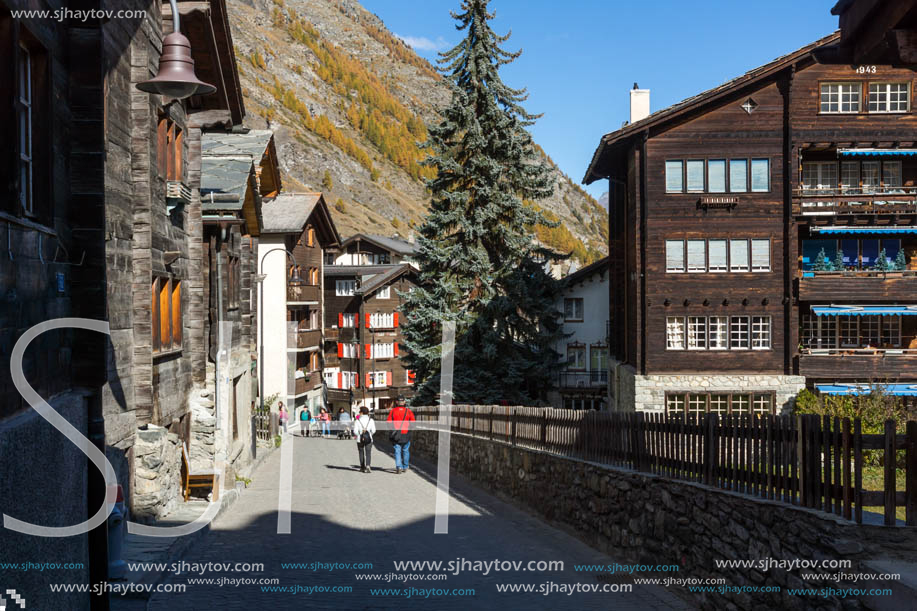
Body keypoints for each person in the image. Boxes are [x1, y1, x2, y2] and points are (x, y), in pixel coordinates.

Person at [386, 396, 416, 474]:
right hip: (406, 433)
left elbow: (388, 423)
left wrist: (392, 429)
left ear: (397, 402)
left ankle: (399, 466)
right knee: (406, 450)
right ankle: (405, 466)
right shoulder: (408, 411)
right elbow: (413, 423)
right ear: (404, 402)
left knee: (397, 451)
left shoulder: (393, 411)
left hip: (396, 434)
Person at [353, 406, 375, 473]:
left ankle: (362, 467)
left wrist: (360, 433)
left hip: (360, 439)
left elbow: (355, 431)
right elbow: (374, 430)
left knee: (361, 452)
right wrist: (369, 434)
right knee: (368, 453)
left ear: (361, 413)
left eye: (360, 412)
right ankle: (368, 466)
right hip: (369, 439)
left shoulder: (357, 420)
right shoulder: (371, 420)